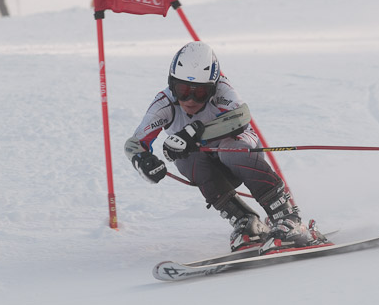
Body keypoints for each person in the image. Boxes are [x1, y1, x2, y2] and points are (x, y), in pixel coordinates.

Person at [125, 42, 325, 254]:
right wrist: (143, 162)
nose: (190, 100)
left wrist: (193, 133)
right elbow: (134, 144)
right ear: (172, 84)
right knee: (186, 159)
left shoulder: (222, 90)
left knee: (230, 150)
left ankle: (288, 218)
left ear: (212, 88)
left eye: (200, 93)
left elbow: (241, 116)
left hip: (240, 150)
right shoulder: (164, 104)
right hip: (210, 168)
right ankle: (245, 221)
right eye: (183, 91)